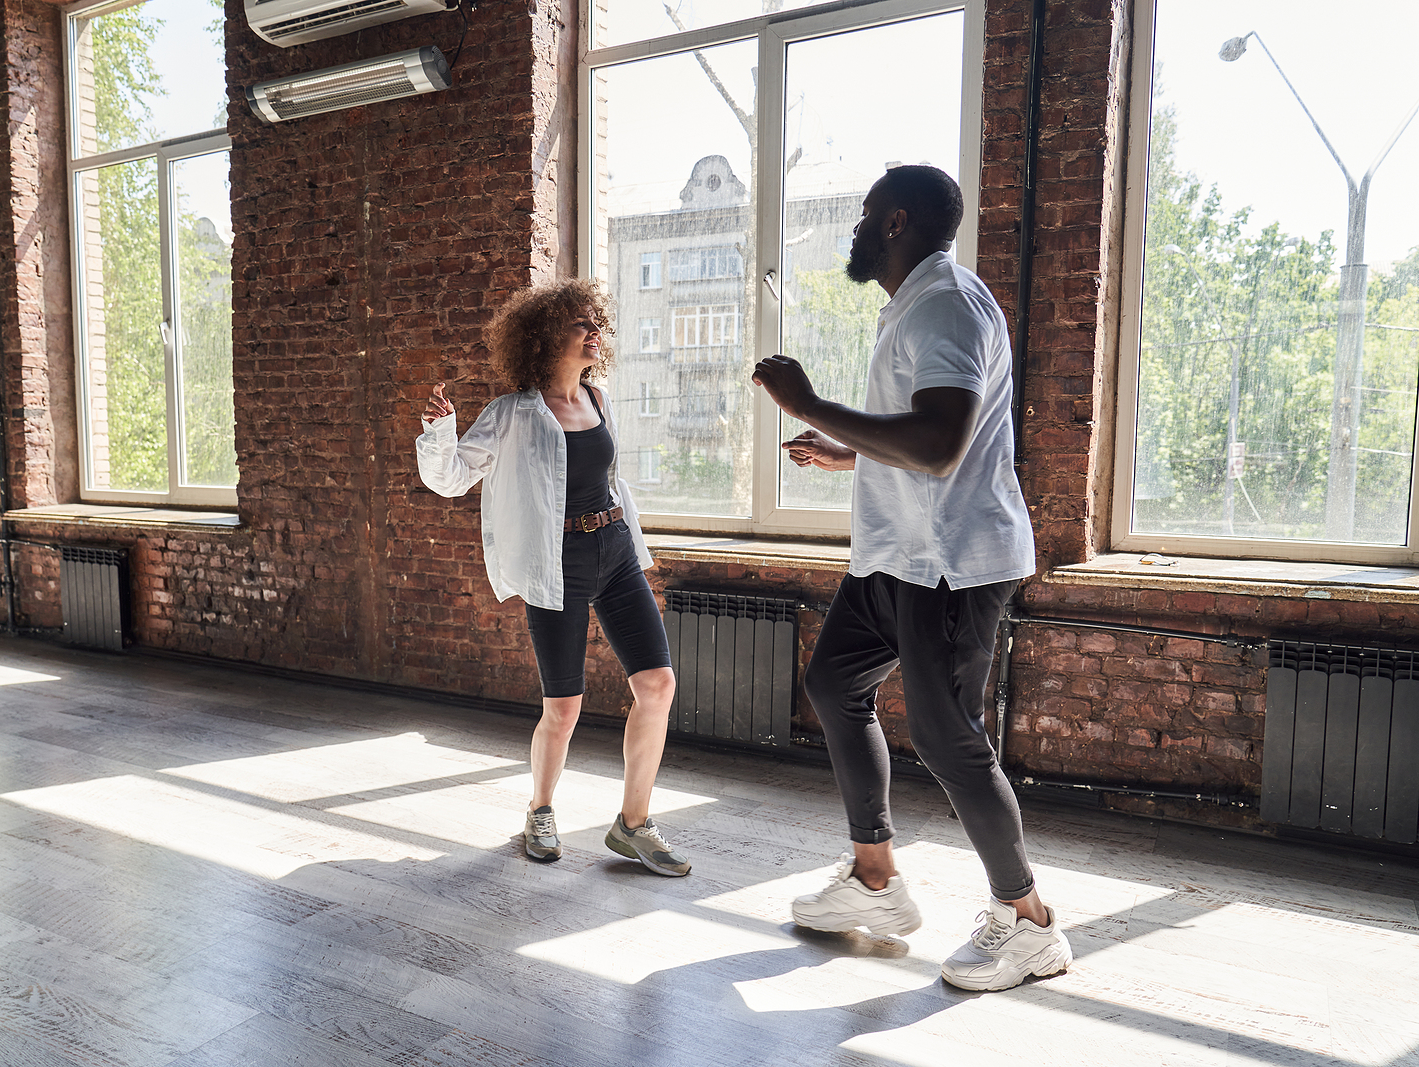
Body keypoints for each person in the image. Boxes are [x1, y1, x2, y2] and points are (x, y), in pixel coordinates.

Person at [751, 164, 1070, 990]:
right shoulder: (917, 305)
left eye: (863, 217)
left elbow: (938, 445)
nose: (855, 231)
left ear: (896, 222)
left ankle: (1028, 921)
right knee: (834, 683)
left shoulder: (948, 305)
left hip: (951, 567)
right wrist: (848, 450)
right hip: (895, 554)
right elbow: (922, 433)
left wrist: (808, 405)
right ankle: (875, 878)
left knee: (946, 735)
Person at [416, 277, 690, 877]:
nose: (596, 332)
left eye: (598, 323)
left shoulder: (599, 399)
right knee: (563, 708)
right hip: (557, 564)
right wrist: (439, 431)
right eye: (580, 324)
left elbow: (611, 482)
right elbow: (451, 478)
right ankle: (540, 810)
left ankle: (634, 823)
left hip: (614, 550)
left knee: (658, 685)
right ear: (545, 336)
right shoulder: (513, 413)